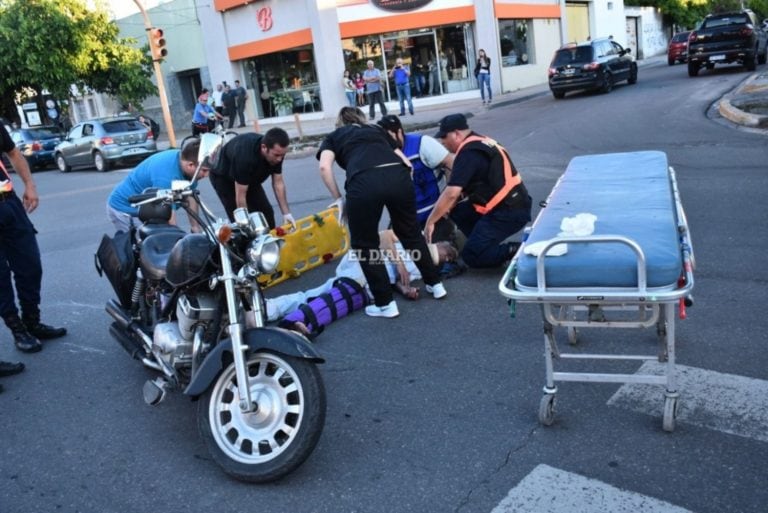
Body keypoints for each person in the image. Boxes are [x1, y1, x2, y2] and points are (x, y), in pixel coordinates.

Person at [317, 107, 446, 319]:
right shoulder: (376, 130)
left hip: (364, 181)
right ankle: (435, 284)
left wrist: (339, 198)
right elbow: (406, 163)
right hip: (398, 175)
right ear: (362, 118)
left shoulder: (335, 136)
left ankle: (386, 304)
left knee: (365, 245)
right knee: (411, 233)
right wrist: (402, 184)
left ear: (339, 122)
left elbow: (324, 167)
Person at [268, 230, 458, 332]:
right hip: (366, 261)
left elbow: (394, 279)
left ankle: (271, 309)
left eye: (450, 259)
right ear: (439, 243)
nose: (447, 258)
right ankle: (294, 321)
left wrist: (404, 289)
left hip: (374, 275)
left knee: (322, 295)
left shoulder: (422, 272)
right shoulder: (418, 239)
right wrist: (398, 262)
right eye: (448, 253)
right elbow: (384, 236)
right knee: (340, 295)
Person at [425, 114, 531, 268]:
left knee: (472, 256)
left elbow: (452, 193)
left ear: (456, 134)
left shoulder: (468, 153)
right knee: (457, 211)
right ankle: (483, 243)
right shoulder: (480, 142)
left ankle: (520, 251)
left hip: (508, 211)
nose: (442, 142)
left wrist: (431, 221)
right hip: (512, 203)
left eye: (444, 137)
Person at [0, 124, 66, 362]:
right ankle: (17, 329)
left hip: (8, 204)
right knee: (1, 279)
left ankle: (32, 321)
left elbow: (13, 152)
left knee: (30, 265)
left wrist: (29, 185)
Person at [376, 115, 455, 241]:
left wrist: (449, 203)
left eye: (389, 137)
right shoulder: (381, 153)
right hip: (406, 221)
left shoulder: (422, 144)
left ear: (399, 132)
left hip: (435, 216)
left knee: (438, 254)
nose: (387, 142)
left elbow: (450, 163)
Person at [106, 139, 208, 233]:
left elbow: (190, 197)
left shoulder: (188, 167)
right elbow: (169, 219)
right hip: (125, 208)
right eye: (204, 170)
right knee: (152, 245)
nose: (206, 175)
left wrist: (195, 228)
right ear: (190, 165)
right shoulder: (166, 176)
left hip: (151, 208)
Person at [209, 128, 294, 229]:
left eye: (282, 155)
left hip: (250, 177)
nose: (279, 159)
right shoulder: (245, 156)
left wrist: (286, 214)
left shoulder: (277, 152)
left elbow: (278, 184)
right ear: (264, 148)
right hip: (224, 178)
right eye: (276, 155)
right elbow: (241, 196)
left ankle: (271, 242)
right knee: (241, 223)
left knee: (266, 213)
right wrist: (246, 224)